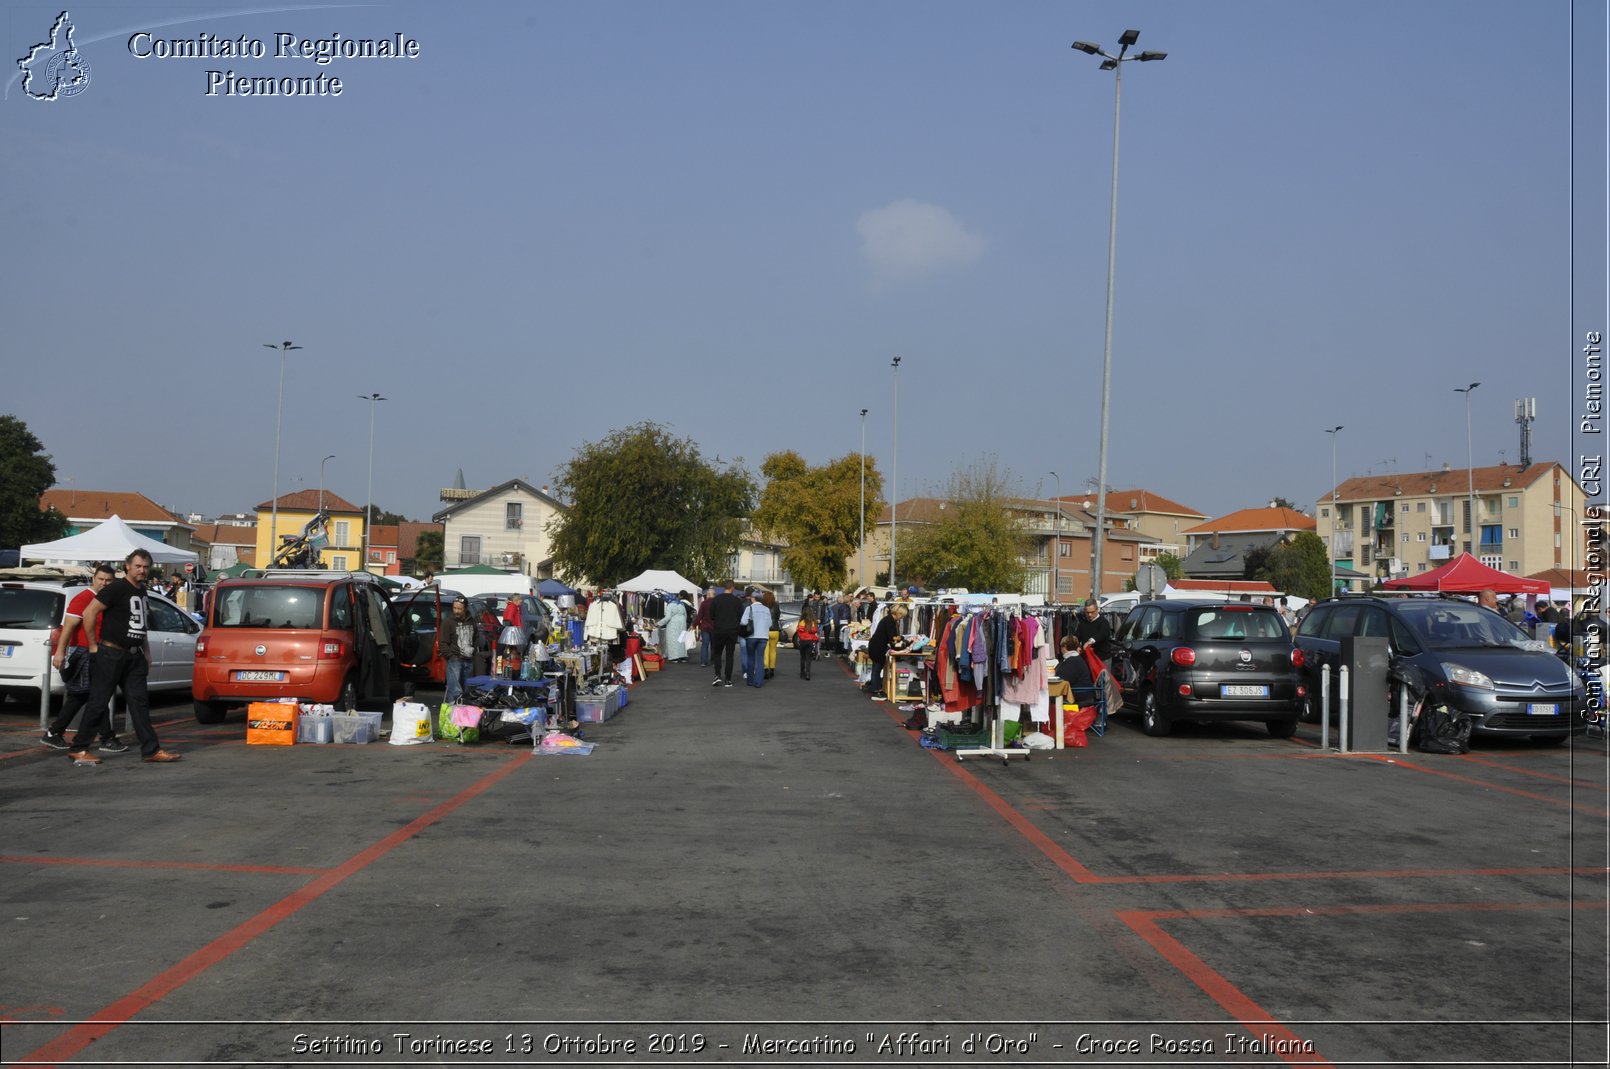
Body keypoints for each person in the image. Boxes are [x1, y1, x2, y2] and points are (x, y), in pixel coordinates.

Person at [70, 549, 180, 765]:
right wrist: (93, 645)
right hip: (110, 652)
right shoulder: (117, 588)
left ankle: (151, 749)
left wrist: (146, 652)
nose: (142, 570)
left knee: (139, 703)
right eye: (138, 566)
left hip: (134, 656)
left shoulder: (142, 591)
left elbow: (142, 625)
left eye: (146, 567)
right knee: (99, 702)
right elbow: (89, 613)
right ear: (127, 566)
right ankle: (79, 748)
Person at [42, 564, 126, 752]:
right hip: (82, 652)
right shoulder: (83, 598)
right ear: (93, 578)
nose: (104, 583)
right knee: (90, 696)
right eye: (101, 579)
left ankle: (55, 732)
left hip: (98, 652)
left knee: (87, 696)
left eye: (108, 580)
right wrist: (60, 652)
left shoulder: (106, 600)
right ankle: (106, 738)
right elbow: (68, 627)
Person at [863, 603, 907, 702]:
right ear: (898, 613)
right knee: (877, 669)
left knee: (876, 668)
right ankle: (875, 691)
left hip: (876, 646)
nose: (902, 618)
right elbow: (892, 637)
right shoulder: (890, 621)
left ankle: (877, 689)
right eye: (902, 615)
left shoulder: (888, 619)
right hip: (878, 647)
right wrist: (901, 638)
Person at [707, 580, 745, 688]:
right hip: (732, 631)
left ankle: (717, 676)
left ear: (725, 587)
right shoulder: (737, 601)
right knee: (729, 655)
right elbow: (740, 616)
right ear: (732, 588)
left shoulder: (716, 600)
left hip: (719, 630)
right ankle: (728, 679)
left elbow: (712, 615)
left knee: (717, 653)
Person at [441, 596, 477, 705]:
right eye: (454, 608)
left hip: (468, 661)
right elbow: (443, 642)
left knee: (467, 691)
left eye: (459, 609)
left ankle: (464, 717)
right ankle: (453, 716)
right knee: (455, 691)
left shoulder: (471, 621)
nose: (456, 611)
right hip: (454, 661)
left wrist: (473, 651)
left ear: (465, 609)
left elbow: (475, 637)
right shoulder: (448, 622)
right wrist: (451, 657)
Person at [740, 589, 773, 688]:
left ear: (753, 598)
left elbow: (743, 622)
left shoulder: (749, 608)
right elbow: (770, 624)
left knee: (750, 658)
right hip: (763, 636)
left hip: (751, 636)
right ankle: (758, 682)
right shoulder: (766, 609)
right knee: (760, 658)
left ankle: (750, 680)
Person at [1074, 598, 1114, 662]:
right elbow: (1077, 636)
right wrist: (1077, 646)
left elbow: (1102, 634)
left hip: (1102, 659)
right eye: (1087, 612)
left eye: (1092, 612)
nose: (1089, 615)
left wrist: (1090, 641)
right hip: (1087, 658)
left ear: (1097, 610)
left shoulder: (1103, 622)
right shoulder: (1083, 623)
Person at [658, 593, 690, 663]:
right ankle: (683, 656)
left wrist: (659, 623)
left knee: (673, 640)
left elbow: (668, 617)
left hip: (673, 624)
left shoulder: (670, 605)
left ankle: (674, 657)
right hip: (682, 623)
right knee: (682, 640)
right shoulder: (681, 604)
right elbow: (685, 615)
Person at [761, 588, 781, 679]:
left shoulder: (763, 606)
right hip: (775, 630)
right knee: (773, 651)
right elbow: (778, 617)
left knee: (766, 651)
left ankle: (766, 669)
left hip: (765, 630)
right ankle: (772, 669)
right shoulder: (776, 605)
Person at [795, 604, 820, 680]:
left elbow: (798, 630)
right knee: (808, 658)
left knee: (802, 657)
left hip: (803, 641)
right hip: (810, 641)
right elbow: (815, 630)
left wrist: (800, 636)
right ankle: (808, 673)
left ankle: (802, 672)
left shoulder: (802, 621)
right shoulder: (812, 622)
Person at [694, 587, 716, 667]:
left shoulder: (704, 603)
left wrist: (693, 625)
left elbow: (699, 616)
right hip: (715, 627)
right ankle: (713, 661)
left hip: (705, 627)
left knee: (705, 645)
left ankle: (703, 662)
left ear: (708, 595)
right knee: (714, 645)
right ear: (714, 595)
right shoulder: (717, 603)